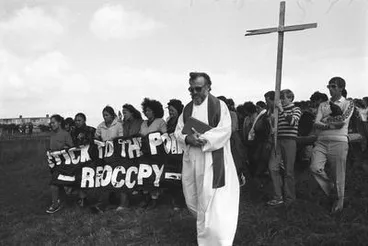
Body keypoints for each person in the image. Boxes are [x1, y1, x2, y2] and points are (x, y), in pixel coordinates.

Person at [175, 72, 239, 246]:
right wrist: (188, 139)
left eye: (198, 88)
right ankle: (204, 233)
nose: (194, 92)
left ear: (208, 87)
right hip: (193, 161)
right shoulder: (187, 109)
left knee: (215, 203)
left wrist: (203, 139)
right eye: (191, 89)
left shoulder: (219, 106)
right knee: (193, 199)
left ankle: (219, 240)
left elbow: (225, 130)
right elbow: (178, 131)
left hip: (213, 160)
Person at [309, 77, 354, 213]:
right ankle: (332, 191)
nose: (330, 89)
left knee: (338, 174)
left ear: (341, 88)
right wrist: (330, 123)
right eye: (329, 86)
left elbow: (342, 121)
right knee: (315, 167)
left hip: (339, 141)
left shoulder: (348, 103)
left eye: (333, 86)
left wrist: (325, 121)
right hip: (321, 142)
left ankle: (338, 205)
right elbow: (315, 123)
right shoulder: (323, 105)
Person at [267, 89, 301, 206]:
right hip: (278, 141)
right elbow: (274, 127)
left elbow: (292, 122)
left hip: (289, 141)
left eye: (284, 97)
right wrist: (272, 124)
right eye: (280, 98)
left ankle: (290, 198)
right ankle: (278, 196)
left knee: (288, 171)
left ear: (291, 98)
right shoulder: (276, 111)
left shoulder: (296, 109)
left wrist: (281, 109)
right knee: (272, 167)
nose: (281, 100)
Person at [95, 106, 124, 211]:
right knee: (105, 177)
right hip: (104, 155)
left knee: (116, 177)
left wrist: (113, 141)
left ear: (112, 115)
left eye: (106, 115)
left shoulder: (118, 125)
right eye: (103, 115)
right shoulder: (100, 126)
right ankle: (104, 202)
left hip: (116, 155)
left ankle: (110, 202)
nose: (105, 117)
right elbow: (96, 136)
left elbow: (121, 138)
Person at [139, 98, 167, 209]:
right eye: (145, 110)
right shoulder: (144, 123)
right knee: (145, 175)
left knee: (155, 176)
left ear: (155, 111)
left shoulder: (160, 121)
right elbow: (141, 135)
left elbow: (164, 135)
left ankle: (154, 199)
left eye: (149, 110)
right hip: (145, 153)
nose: (147, 113)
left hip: (156, 154)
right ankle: (146, 198)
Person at [46, 114, 74, 214]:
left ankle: (55, 204)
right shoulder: (51, 134)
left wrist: (65, 149)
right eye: (51, 123)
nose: (51, 124)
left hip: (64, 163)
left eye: (53, 122)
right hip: (54, 163)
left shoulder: (66, 134)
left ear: (59, 122)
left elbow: (71, 148)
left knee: (54, 184)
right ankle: (62, 200)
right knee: (59, 184)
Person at [70, 113, 96, 208]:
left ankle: (87, 197)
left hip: (89, 158)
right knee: (78, 177)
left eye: (79, 120)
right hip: (77, 159)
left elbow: (96, 142)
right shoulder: (72, 131)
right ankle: (82, 198)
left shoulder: (91, 130)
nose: (77, 122)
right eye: (76, 120)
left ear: (84, 120)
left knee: (87, 178)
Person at [166, 99, 185, 210]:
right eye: (169, 110)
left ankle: (180, 201)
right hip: (171, 153)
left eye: (172, 110)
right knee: (172, 177)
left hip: (180, 152)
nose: (170, 112)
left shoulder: (182, 120)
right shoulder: (168, 121)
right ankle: (175, 200)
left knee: (180, 178)